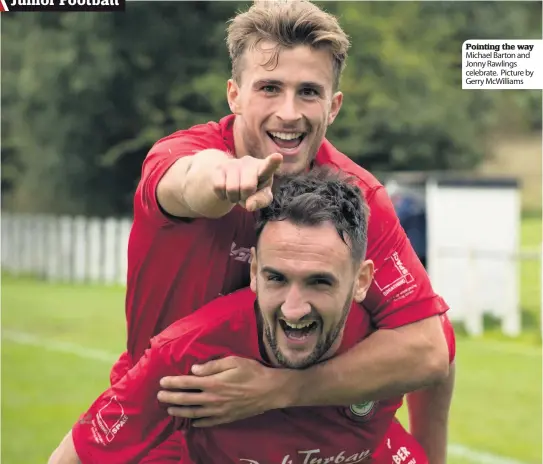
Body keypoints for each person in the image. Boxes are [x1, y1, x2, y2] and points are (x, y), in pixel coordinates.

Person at [109, 1, 455, 462]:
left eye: (308, 92)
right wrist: (220, 181)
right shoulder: (186, 156)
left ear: (333, 106)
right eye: (269, 88)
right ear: (234, 95)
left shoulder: (359, 197)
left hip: (294, 429)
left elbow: (429, 349)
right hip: (173, 420)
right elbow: (185, 181)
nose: (288, 113)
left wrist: (279, 388)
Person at [49, 169, 436, 464]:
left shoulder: (392, 344)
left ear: (361, 281)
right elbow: (75, 455)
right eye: (276, 279)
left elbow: (440, 365)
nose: (294, 308)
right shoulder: (189, 356)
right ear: (253, 273)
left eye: (319, 282)